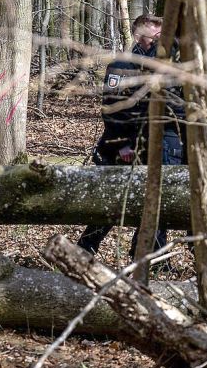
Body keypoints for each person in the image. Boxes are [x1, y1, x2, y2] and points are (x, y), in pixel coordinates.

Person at [77, 14, 186, 259]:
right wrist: (122, 144)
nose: (160, 34)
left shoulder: (170, 62)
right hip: (127, 143)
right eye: (154, 30)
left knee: (160, 198)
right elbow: (112, 108)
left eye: (162, 30)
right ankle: (85, 248)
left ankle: (149, 256)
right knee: (118, 200)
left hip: (165, 140)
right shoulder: (123, 65)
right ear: (139, 34)